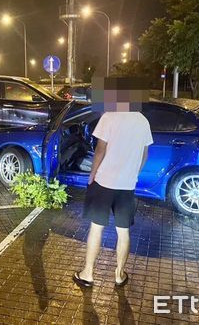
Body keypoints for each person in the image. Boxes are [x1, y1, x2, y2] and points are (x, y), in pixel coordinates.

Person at [72, 94, 153, 288]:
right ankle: (119, 275)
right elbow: (144, 154)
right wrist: (133, 174)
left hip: (104, 182)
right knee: (123, 232)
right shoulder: (142, 121)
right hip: (126, 186)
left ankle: (88, 273)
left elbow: (100, 150)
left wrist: (92, 175)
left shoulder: (109, 116)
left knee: (96, 228)